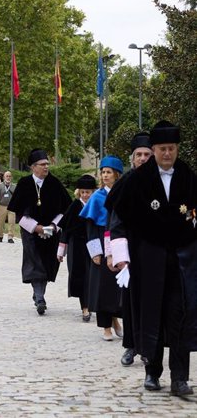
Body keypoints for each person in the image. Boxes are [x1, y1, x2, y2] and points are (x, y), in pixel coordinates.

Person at [111, 121, 197, 396]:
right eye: (162, 149)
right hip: (148, 260)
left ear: (177, 149)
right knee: (152, 315)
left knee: (180, 316)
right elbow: (119, 220)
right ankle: (152, 371)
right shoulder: (138, 179)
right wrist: (122, 258)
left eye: (172, 149)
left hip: (182, 261)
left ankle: (180, 378)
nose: (167, 154)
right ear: (154, 149)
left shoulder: (187, 176)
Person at [105, 132, 153, 366]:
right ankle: (131, 346)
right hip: (130, 251)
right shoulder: (124, 183)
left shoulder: (162, 182)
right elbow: (113, 222)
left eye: (147, 154)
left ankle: (149, 347)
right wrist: (113, 253)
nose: (143, 159)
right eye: (139, 155)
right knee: (132, 300)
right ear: (132, 158)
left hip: (156, 251)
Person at [8, 149, 72, 315]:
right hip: (30, 232)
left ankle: (39, 294)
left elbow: (66, 210)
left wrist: (52, 227)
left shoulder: (55, 183)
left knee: (47, 263)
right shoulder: (24, 184)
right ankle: (40, 297)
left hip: (52, 231)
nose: (46, 167)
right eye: (42, 165)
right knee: (35, 262)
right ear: (33, 167)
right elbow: (18, 212)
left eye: (47, 164)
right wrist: (36, 228)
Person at [80, 155, 124, 341]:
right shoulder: (97, 197)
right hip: (100, 240)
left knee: (117, 287)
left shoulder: (123, 193)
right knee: (102, 288)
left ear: (117, 174)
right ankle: (106, 326)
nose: (105, 176)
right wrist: (95, 251)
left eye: (109, 172)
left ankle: (115, 319)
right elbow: (89, 227)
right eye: (103, 172)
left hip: (118, 241)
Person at [57, 174, 97, 322]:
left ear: (93, 192)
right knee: (80, 276)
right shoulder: (74, 206)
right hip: (76, 246)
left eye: (88, 192)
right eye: (83, 192)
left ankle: (93, 304)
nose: (85, 195)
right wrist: (61, 251)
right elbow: (65, 230)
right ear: (79, 192)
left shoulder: (97, 204)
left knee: (93, 276)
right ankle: (85, 308)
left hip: (94, 245)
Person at [0, 171, 17, 243]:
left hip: (11, 207)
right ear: (4, 177)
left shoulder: (14, 186)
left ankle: (10, 237)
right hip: (2, 206)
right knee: (1, 222)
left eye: (9, 176)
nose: (8, 177)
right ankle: (0, 235)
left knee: (12, 222)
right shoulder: (0, 186)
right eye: (7, 176)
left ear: (11, 177)